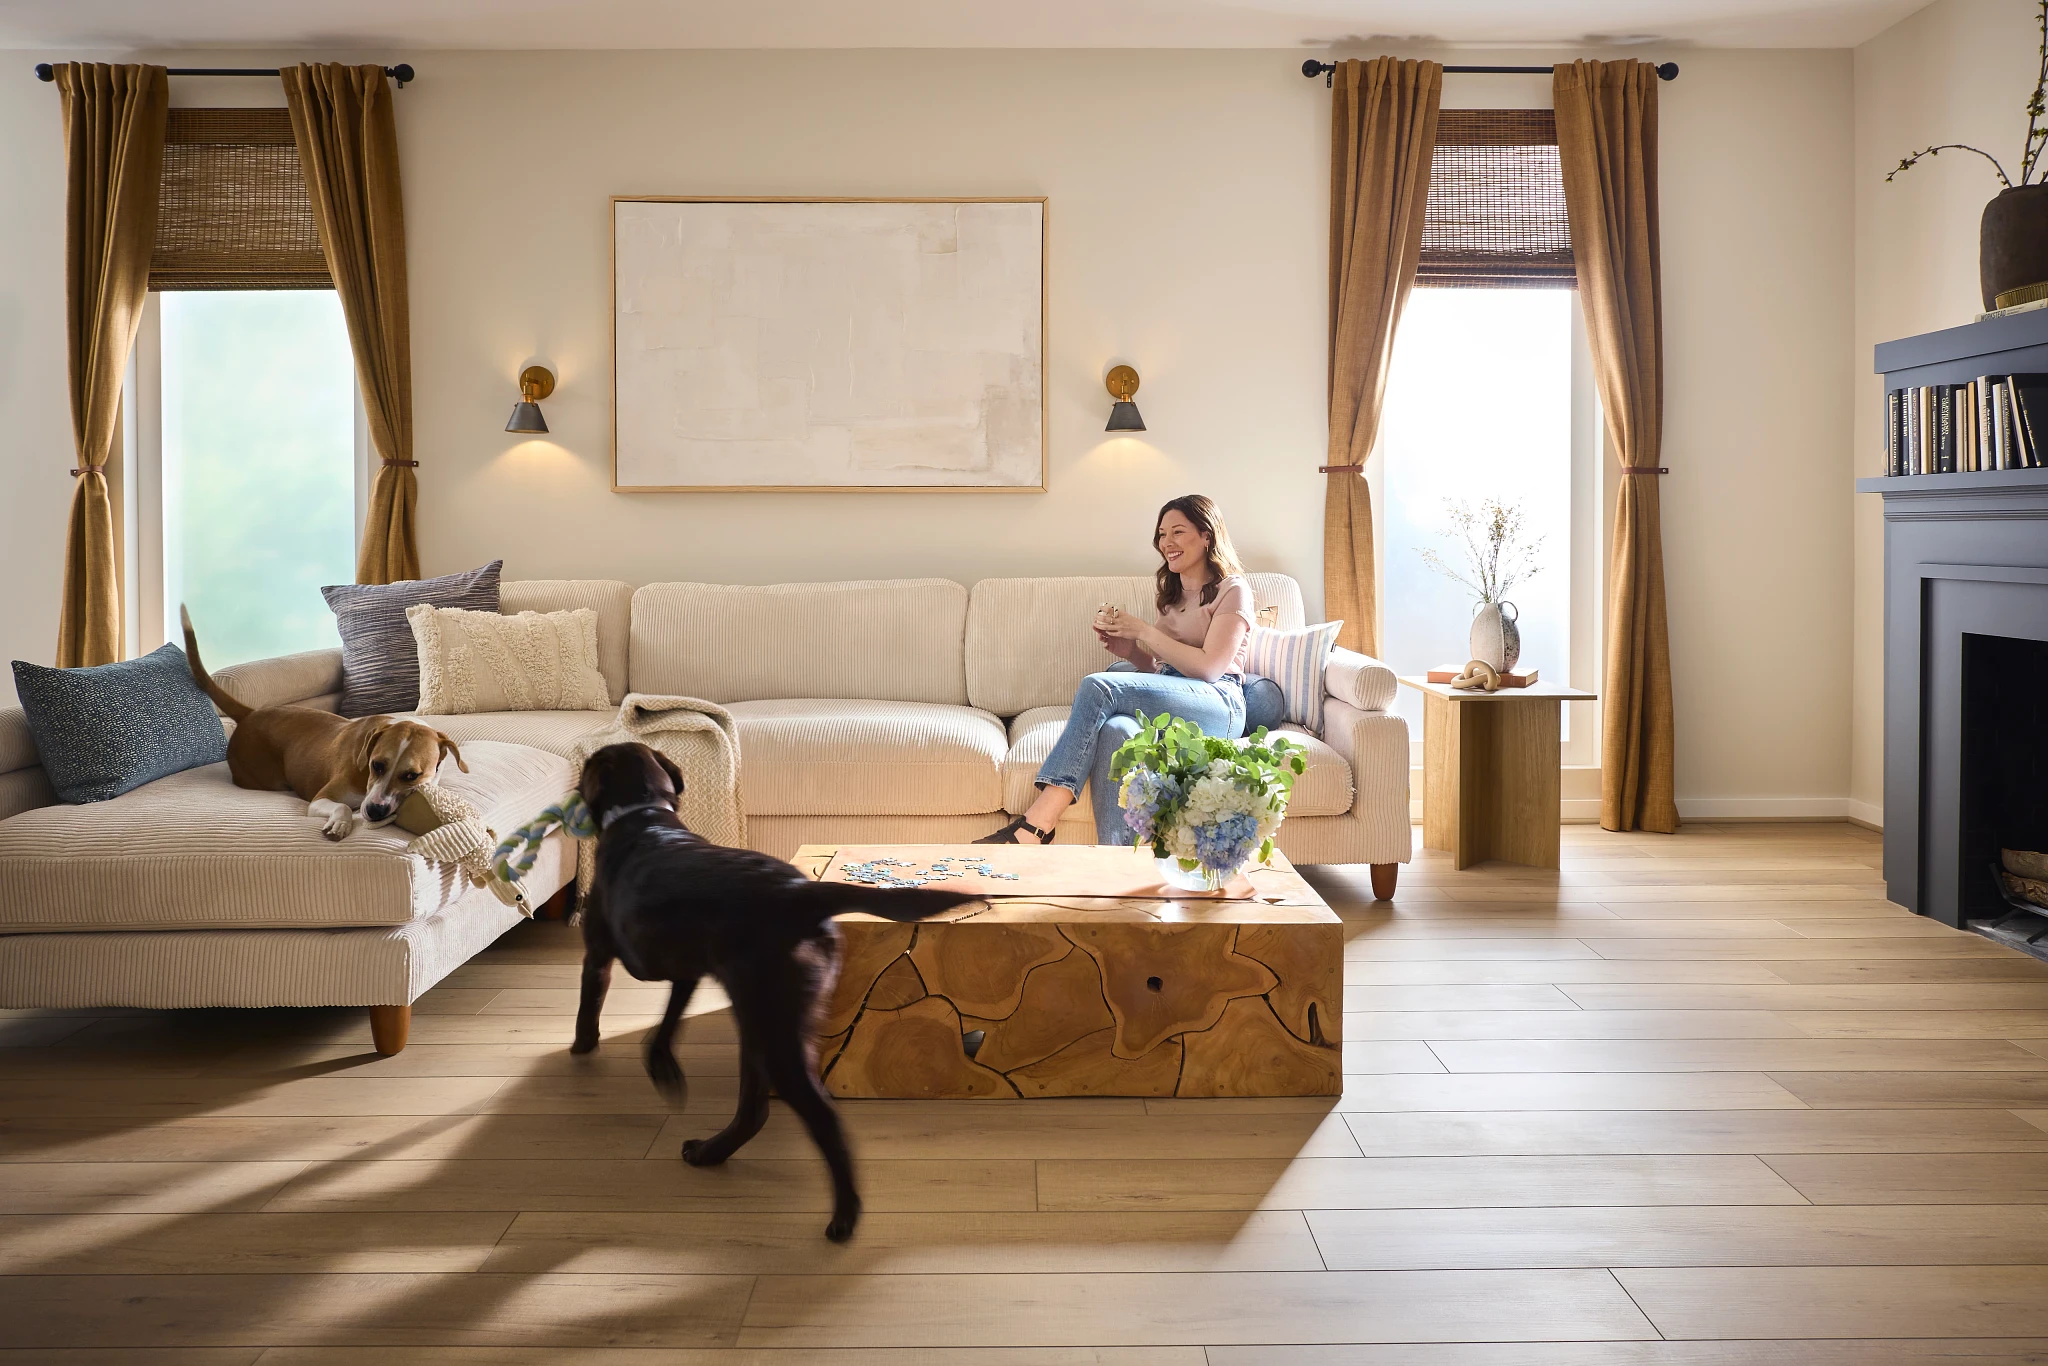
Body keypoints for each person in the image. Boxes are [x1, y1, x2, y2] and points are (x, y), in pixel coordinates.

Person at [979, 493, 1254, 845]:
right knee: (1116, 730)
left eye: (1178, 532)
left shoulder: (1233, 590)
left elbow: (1209, 668)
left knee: (1100, 685)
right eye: (1162, 534)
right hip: (1179, 700)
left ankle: (1038, 822)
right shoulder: (1172, 595)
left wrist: (1144, 631)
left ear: (1206, 535)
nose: (1167, 542)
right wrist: (1131, 651)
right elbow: (1165, 673)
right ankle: (1118, 858)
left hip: (1218, 704)